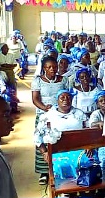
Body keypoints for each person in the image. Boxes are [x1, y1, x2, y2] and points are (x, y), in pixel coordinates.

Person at [31, 56, 69, 184]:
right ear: (44, 68)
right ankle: (43, 172)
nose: (53, 69)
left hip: (60, 114)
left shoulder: (63, 80)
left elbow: (67, 95)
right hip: (44, 114)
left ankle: (59, 169)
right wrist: (44, 108)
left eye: (54, 66)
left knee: (58, 140)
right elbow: (35, 99)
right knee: (42, 141)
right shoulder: (38, 81)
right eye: (49, 67)